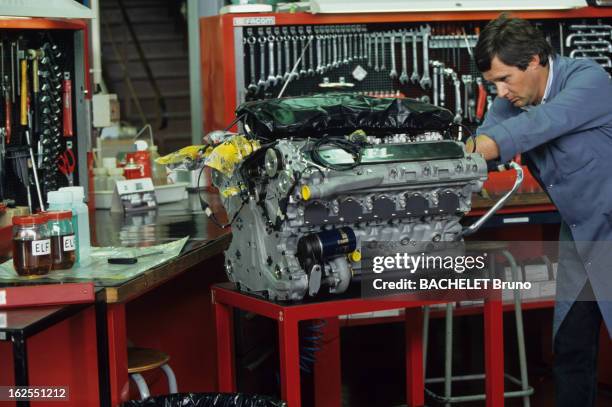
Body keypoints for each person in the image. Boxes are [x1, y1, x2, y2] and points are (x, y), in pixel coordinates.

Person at [469, 14, 612, 407]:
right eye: (491, 84)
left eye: (504, 79)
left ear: (534, 60)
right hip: (580, 234)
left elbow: (545, 123)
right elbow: (483, 140)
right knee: (570, 347)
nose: (499, 92)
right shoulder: (510, 101)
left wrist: (486, 147)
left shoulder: (589, 80)